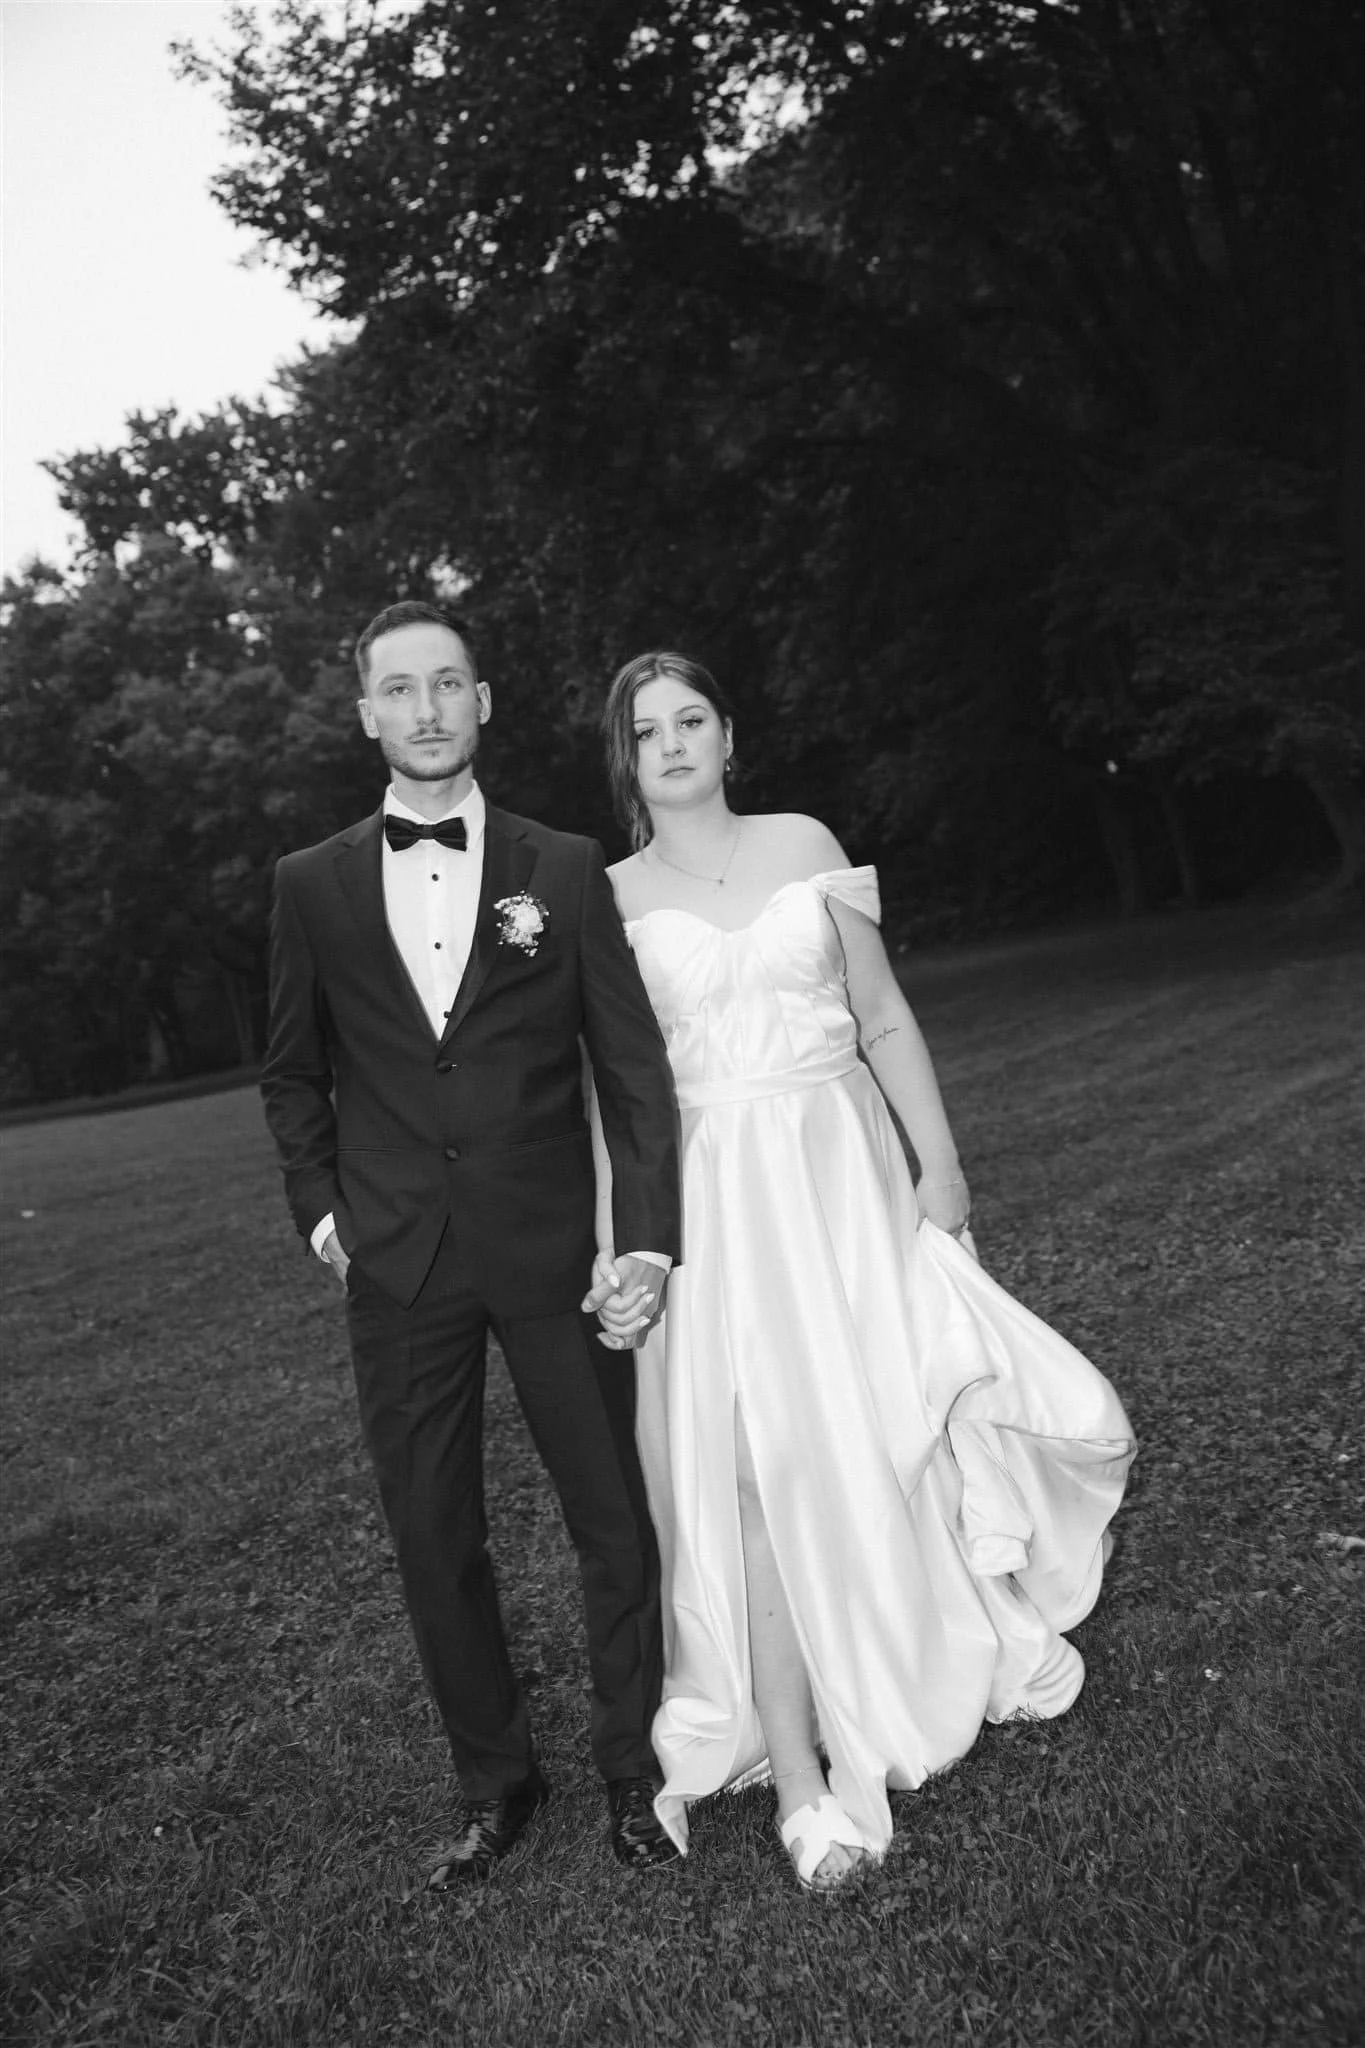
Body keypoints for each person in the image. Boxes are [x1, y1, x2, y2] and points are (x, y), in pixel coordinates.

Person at [586, 650, 1136, 1893]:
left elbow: (882, 1015)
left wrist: (942, 1172)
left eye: (691, 719)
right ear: (627, 759)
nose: (672, 742)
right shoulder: (605, 894)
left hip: (841, 1176)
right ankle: (798, 1781)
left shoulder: (802, 843)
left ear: (730, 735)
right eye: (645, 728)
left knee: (878, 1423)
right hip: (713, 1205)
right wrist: (630, 1251)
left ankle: (899, 1647)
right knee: (749, 1472)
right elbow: (619, 1101)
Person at [260, 602, 684, 1882]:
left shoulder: (563, 866)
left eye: (449, 683)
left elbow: (632, 1068)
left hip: (555, 1248)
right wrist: (328, 1214)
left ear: (484, 701)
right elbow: (291, 1073)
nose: (428, 707)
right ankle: (496, 1782)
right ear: (368, 714)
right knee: (434, 1531)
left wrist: (648, 1242)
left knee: (610, 1515)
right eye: (402, 688)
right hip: (397, 1263)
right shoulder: (309, 884)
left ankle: (633, 1768)